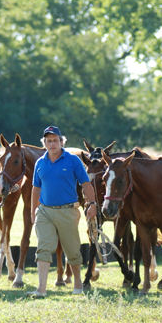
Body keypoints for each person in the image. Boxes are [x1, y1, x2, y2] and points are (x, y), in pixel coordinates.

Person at [28, 125, 97, 298]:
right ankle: (41, 289)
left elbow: (86, 184)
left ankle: (78, 283)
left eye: (55, 140)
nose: (52, 144)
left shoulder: (73, 161)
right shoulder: (40, 162)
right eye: (49, 141)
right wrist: (33, 211)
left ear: (61, 141)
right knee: (43, 248)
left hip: (67, 211)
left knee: (72, 249)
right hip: (44, 212)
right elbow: (36, 188)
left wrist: (93, 204)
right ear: (44, 143)